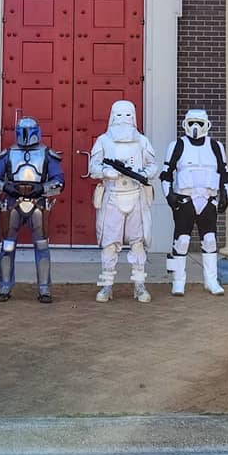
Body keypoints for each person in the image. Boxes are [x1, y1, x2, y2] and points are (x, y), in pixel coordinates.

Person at [0, 116, 65, 303]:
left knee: (42, 246)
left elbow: (59, 181)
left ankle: (44, 288)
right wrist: (6, 187)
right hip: (12, 203)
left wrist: (42, 188)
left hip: (38, 204)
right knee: (7, 246)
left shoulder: (47, 153)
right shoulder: (7, 154)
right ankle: (4, 285)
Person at [89, 99, 160, 303]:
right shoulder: (104, 140)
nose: (123, 119)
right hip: (112, 196)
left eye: (127, 114)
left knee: (138, 243)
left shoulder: (142, 141)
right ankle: (106, 286)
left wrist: (143, 172)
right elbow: (93, 166)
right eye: (119, 114)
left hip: (135, 195)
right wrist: (105, 171)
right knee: (109, 244)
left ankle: (139, 285)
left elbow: (153, 165)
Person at [160, 108, 228, 296]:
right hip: (185, 200)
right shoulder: (177, 145)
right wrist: (169, 196)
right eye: (191, 122)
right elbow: (166, 174)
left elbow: (225, 174)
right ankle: (178, 281)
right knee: (181, 241)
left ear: (207, 124)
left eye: (199, 123)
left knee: (210, 241)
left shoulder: (216, 146)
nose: (195, 127)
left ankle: (211, 280)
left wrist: (225, 196)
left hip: (208, 200)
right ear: (185, 124)